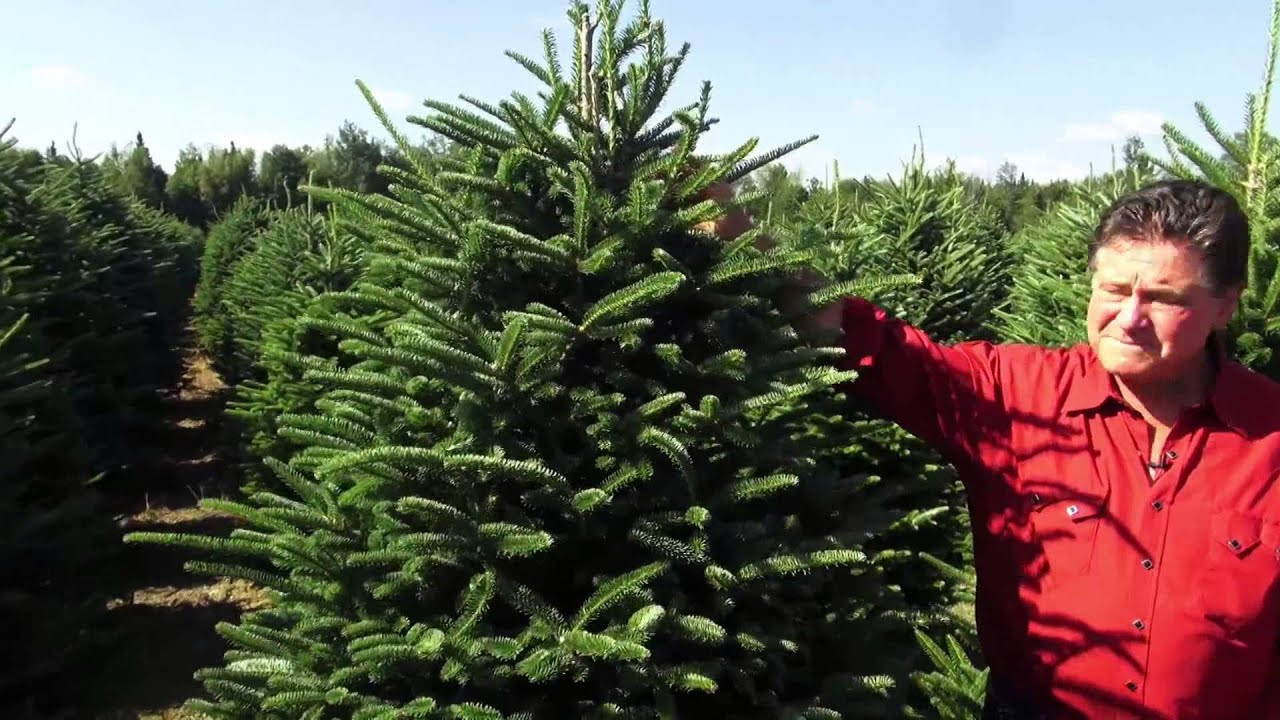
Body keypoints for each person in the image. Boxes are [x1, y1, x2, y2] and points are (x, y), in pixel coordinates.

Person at [700, 177, 1280, 719]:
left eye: (1162, 297)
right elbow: (855, 332)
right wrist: (737, 229)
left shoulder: (1271, 433)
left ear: (1224, 304)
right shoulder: (1015, 397)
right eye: (1113, 289)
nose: (1129, 318)